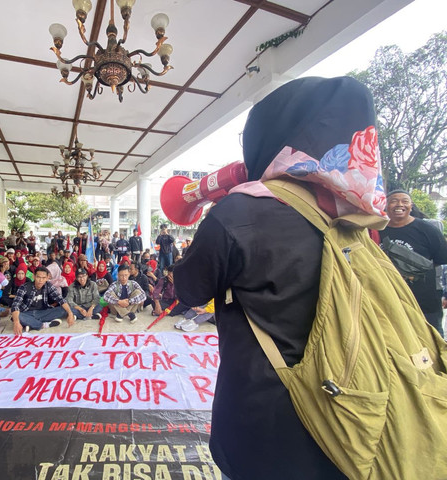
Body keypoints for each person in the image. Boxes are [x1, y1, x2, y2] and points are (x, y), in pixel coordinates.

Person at [175, 76, 377, 479]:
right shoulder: (358, 217)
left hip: (265, 418)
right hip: (352, 417)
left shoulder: (239, 212)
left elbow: (190, 289)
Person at [380, 189, 447, 337]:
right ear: (385, 205)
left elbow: (443, 261)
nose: (399, 204)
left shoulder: (428, 230)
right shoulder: (376, 230)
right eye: (393, 201)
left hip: (425, 302)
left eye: (404, 201)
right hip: (388, 301)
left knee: (432, 342)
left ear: (411, 206)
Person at [10, 266, 75, 333]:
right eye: (38, 277)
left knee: (64, 309)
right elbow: (15, 305)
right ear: (34, 276)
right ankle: (43, 325)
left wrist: (70, 313)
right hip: (27, 313)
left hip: (43, 313)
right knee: (16, 317)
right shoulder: (24, 287)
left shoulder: (48, 286)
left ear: (47, 278)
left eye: (43, 278)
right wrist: (16, 322)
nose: (41, 280)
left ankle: (30, 324)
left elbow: (60, 299)